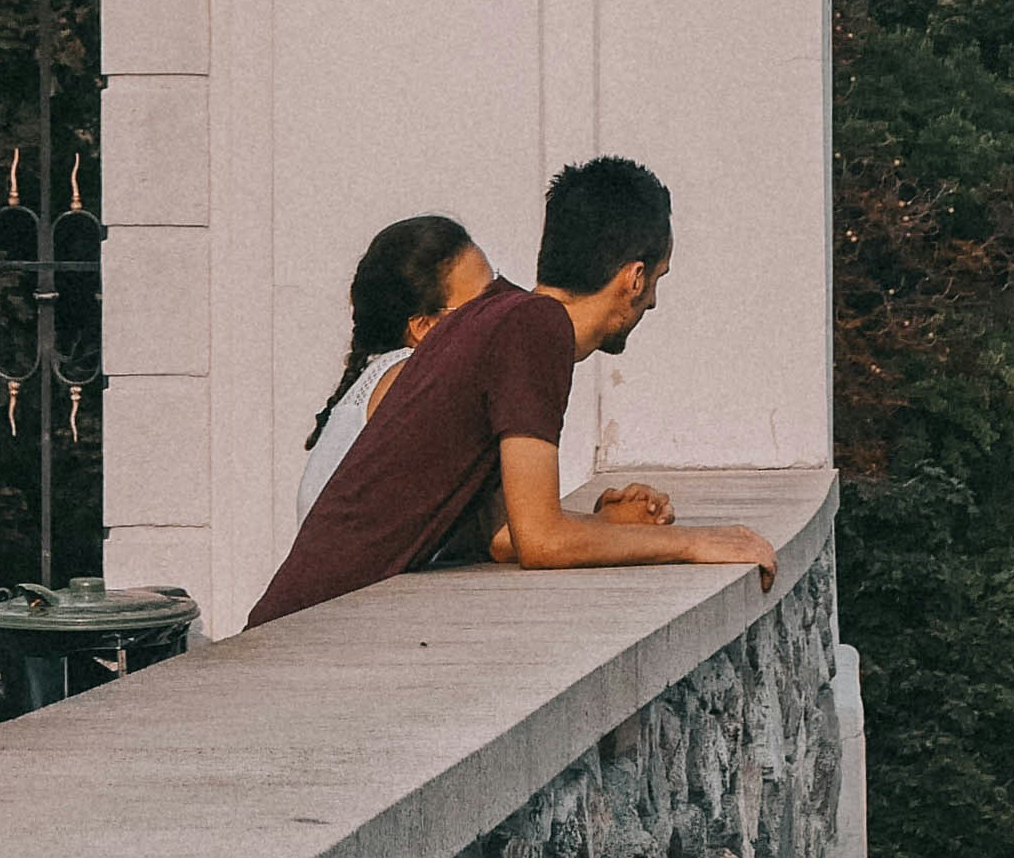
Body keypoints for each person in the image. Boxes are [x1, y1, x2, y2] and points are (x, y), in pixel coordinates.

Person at [245, 155, 776, 628]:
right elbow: (543, 542)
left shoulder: (499, 317)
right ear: (634, 278)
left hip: (299, 622)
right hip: (305, 634)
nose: (654, 301)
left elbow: (506, 536)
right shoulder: (536, 330)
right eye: (658, 277)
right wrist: (697, 542)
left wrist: (601, 526)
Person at [291, 213, 488, 525]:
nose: (499, 311)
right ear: (424, 326)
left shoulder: (388, 376)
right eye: (482, 303)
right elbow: (501, 536)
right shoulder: (411, 381)